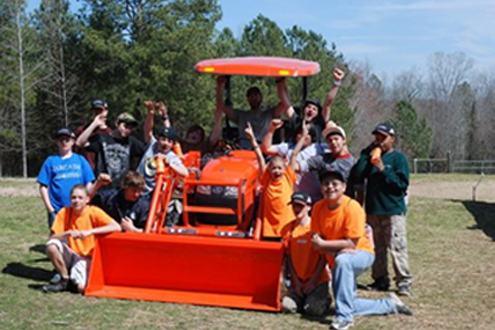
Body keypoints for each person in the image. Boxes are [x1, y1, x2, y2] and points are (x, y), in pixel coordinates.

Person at [311, 170, 412, 330]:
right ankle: (389, 304)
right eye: (326, 184)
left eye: (334, 184)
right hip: (338, 257)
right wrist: (334, 248)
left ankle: (345, 319)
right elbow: (316, 240)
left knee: (343, 260)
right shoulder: (317, 207)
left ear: (344, 187)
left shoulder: (352, 207)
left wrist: (327, 245)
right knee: (345, 300)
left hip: (362, 254)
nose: (330, 187)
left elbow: (351, 244)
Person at [350, 123, 413, 296]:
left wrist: (383, 170)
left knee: (396, 246)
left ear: (392, 139)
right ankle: (380, 279)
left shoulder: (398, 159)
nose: (379, 141)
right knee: (377, 248)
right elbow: (358, 174)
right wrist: (365, 154)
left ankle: (403, 281)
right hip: (373, 210)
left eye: (383, 138)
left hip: (392, 210)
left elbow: (401, 184)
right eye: (376, 137)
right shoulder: (370, 156)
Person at [43, 184, 121, 293]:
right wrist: (67, 234)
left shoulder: (93, 211)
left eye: (80, 198)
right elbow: (52, 237)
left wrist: (90, 232)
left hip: (86, 256)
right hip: (71, 253)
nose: (76, 201)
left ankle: (71, 279)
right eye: (73, 198)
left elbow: (116, 227)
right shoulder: (64, 212)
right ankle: (64, 278)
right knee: (51, 245)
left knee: (81, 288)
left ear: (87, 199)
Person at [280, 192, 331, 316]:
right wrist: (296, 282)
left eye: (300, 206)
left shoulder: (316, 228)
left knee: (313, 310)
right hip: (297, 282)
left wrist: (313, 282)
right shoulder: (288, 229)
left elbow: (323, 258)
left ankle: (324, 298)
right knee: (286, 307)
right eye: (294, 206)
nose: (297, 209)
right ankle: (301, 298)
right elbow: (288, 258)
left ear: (309, 207)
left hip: (317, 281)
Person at [37, 128, 95, 228]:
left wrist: (86, 201)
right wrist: (50, 209)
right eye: (61, 140)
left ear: (72, 142)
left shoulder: (80, 160)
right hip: (58, 210)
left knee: (77, 240)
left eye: (67, 140)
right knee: (58, 241)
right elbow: (43, 186)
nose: (64, 142)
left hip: (78, 209)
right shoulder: (50, 161)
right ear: (57, 142)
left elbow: (89, 183)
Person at [246, 122, 296, 238]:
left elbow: (294, 155)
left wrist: (302, 137)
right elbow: (260, 158)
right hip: (269, 227)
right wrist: (253, 139)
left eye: (279, 168)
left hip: (286, 225)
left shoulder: (287, 178)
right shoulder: (267, 179)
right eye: (274, 168)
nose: (276, 171)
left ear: (284, 168)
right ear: (269, 170)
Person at [261, 119, 327, 202]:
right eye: (300, 133)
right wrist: (271, 129)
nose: (303, 135)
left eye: (307, 133)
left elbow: (339, 148)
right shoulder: (289, 147)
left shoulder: (319, 148)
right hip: (292, 197)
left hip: (314, 197)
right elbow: (266, 148)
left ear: (312, 136)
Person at [216, 76, 290, 149]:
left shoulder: (269, 114)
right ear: (247, 99)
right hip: (243, 151)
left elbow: (285, 104)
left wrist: (281, 82)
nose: (254, 98)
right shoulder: (241, 116)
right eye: (251, 96)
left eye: (256, 95)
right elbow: (221, 106)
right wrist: (219, 86)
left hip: (263, 151)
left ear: (261, 98)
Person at [76, 112, 146, 187]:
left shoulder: (131, 142)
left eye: (130, 128)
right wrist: (94, 124)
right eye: (125, 126)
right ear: (117, 123)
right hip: (102, 187)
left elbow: (147, 150)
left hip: (122, 189)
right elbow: (79, 143)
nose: (127, 130)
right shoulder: (102, 139)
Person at [137, 101, 188, 195]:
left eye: (169, 142)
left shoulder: (171, 157)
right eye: (163, 139)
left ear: (173, 145)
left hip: (153, 194)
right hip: (137, 189)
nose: (165, 143)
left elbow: (185, 172)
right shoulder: (152, 145)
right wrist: (151, 113)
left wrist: (169, 164)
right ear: (158, 139)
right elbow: (148, 130)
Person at [291, 124, 355, 201]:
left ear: (344, 140)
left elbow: (359, 188)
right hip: (325, 204)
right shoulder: (322, 159)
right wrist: (294, 153)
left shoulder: (353, 163)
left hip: (346, 205)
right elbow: (294, 167)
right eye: (330, 140)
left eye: (336, 139)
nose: (333, 142)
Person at [284, 68, 345, 142]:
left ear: (317, 114)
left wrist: (336, 82)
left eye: (314, 109)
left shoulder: (319, 125)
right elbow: (285, 102)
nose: (311, 110)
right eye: (308, 107)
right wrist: (280, 79)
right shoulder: (295, 121)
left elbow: (328, 103)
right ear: (303, 110)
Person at [74, 100, 113, 169]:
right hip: (85, 171)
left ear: (106, 112)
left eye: (100, 111)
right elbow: (78, 144)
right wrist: (94, 124)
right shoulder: (82, 130)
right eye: (95, 111)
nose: (97, 114)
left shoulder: (109, 133)